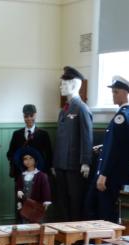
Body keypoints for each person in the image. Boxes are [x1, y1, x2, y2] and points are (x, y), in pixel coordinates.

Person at [84, 76, 129, 223]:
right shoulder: (128, 114)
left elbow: (116, 149)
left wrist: (104, 174)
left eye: (116, 92)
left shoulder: (122, 116)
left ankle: (104, 244)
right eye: (113, 92)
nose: (113, 95)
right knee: (93, 206)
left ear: (125, 93)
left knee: (104, 212)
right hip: (110, 171)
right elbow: (120, 144)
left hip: (110, 174)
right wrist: (103, 147)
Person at [53, 66, 93, 221]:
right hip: (62, 164)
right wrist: (55, 163)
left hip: (75, 165)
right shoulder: (64, 110)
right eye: (61, 83)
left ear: (75, 85)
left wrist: (86, 162)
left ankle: (75, 238)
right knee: (62, 201)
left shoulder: (81, 108)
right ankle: (64, 236)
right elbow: (60, 138)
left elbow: (86, 137)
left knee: (75, 201)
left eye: (65, 83)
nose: (61, 87)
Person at [6, 104, 53, 178]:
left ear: (35, 115)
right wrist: (18, 163)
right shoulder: (16, 134)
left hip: (38, 174)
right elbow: (10, 153)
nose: (29, 119)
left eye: (31, 116)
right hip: (20, 174)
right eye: (26, 116)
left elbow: (49, 156)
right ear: (23, 116)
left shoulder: (43, 134)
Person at [14, 147, 51, 223]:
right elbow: (19, 187)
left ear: (35, 160)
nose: (28, 161)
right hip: (25, 206)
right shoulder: (22, 175)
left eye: (30, 158)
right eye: (25, 159)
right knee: (25, 221)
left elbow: (46, 190)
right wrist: (19, 196)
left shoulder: (41, 175)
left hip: (37, 205)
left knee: (37, 222)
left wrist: (46, 201)